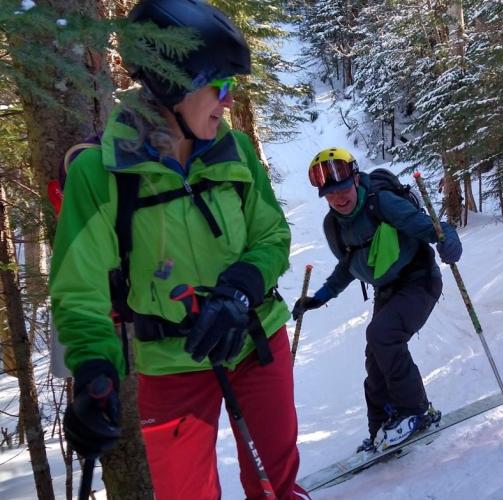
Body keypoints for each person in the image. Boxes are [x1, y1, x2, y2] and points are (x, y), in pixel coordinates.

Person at [50, 1, 309, 498]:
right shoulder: (101, 173)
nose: (229, 101)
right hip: (171, 364)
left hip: (254, 340)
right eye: (221, 85)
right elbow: (78, 288)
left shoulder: (236, 152)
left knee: (276, 482)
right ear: (174, 86)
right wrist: (94, 370)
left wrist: (238, 292)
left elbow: (272, 236)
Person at [291, 147, 463, 452]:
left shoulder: (382, 203)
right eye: (330, 194)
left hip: (418, 280)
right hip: (387, 291)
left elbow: (432, 227)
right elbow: (347, 266)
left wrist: (449, 241)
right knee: (375, 359)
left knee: (382, 335)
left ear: (355, 180)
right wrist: (318, 298)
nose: (339, 198)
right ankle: (382, 428)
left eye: (343, 189)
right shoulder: (333, 226)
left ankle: (417, 412)